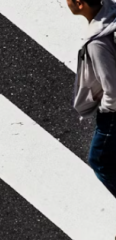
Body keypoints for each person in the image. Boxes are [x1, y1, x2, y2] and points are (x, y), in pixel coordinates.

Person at [71, 0, 116, 197]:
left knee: (99, 159)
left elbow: (113, 90)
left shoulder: (98, 42)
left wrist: (106, 111)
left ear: (80, 3)